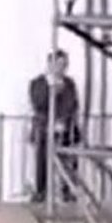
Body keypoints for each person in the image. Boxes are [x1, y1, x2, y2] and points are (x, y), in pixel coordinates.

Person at [28, 49, 80, 202]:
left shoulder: (69, 83)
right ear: (50, 64)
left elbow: (73, 104)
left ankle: (68, 191)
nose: (62, 68)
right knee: (42, 162)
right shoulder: (38, 83)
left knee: (69, 162)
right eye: (58, 64)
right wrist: (52, 90)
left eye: (64, 65)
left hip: (65, 130)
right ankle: (41, 192)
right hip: (43, 130)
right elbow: (38, 104)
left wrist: (63, 120)